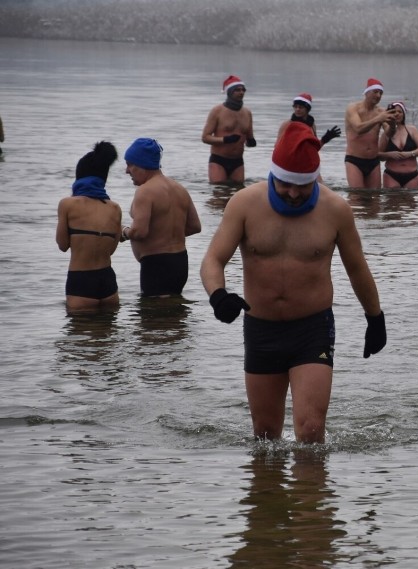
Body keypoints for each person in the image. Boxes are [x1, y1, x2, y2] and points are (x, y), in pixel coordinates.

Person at [200, 121, 387, 443]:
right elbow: (213, 260)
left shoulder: (335, 210)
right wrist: (218, 295)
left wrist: (375, 318)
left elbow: (357, 269)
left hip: (312, 329)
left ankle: (311, 491)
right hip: (261, 329)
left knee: (311, 431)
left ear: (314, 177)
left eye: (302, 185)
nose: (293, 193)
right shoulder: (245, 204)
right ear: (274, 173)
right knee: (265, 434)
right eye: (286, 184)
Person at [121, 138, 202, 297]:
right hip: (180, 262)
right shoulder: (179, 188)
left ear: (142, 164)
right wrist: (165, 234)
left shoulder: (145, 191)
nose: (127, 170)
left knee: (153, 318)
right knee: (174, 315)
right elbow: (195, 226)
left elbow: (139, 232)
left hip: (156, 265)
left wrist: (123, 232)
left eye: (130, 164)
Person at [56, 141, 122, 312]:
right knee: (108, 336)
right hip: (108, 281)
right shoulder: (114, 208)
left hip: (81, 281)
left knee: (81, 336)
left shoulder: (67, 204)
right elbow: (111, 249)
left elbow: (63, 245)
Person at [202, 75, 256, 184]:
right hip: (219, 160)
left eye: (243, 90)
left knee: (238, 192)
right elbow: (205, 137)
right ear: (229, 92)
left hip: (238, 161)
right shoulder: (217, 111)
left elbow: (249, 137)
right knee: (219, 191)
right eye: (237, 90)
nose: (241, 92)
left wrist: (251, 142)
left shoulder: (247, 113)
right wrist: (225, 140)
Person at [344, 78, 396, 189]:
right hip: (355, 160)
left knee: (375, 199)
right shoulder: (353, 108)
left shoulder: (381, 112)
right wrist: (378, 119)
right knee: (357, 196)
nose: (378, 95)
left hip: (373, 161)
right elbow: (358, 128)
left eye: (381, 93)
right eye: (375, 92)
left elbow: (389, 134)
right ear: (367, 92)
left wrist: (392, 124)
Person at [377, 101, 418, 189]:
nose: (397, 114)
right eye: (394, 112)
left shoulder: (412, 130)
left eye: (400, 112)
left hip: (412, 176)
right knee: (392, 201)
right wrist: (389, 154)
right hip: (391, 175)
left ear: (404, 114)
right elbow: (378, 155)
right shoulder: (386, 134)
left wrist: (410, 153)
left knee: (410, 201)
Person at [276, 92, 341, 147]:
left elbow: (314, 148)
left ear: (307, 109)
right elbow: (277, 147)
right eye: (295, 106)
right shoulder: (287, 124)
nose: (297, 109)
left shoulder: (312, 126)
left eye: (301, 107)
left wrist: (325, 139)